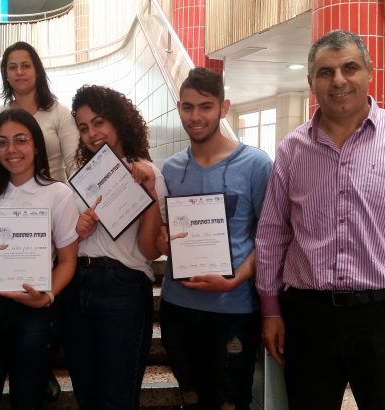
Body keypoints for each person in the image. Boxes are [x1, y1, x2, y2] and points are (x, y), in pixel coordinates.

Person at [256, 30, 385, 410]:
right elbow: (273, 234)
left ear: (369, 73)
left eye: (350, 68)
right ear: (311, 81)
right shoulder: (292, 149)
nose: (338, 80)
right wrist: (271, 309)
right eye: (325, 72)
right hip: (308, 317)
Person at [157, 67, 272, 410]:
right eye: (188, 107)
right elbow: (162, 230)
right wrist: (164, 240)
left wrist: (236, 278)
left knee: (231, 401)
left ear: (223, 108)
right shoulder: (170, 169)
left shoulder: (256, 164)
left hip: (233, 308)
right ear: (179, 108)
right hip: (179, 307)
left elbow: (270, 236)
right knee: (191, 399)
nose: (196, 117)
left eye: (206, 106)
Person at [0, 108, 79, 410]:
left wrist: (47, 295)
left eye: (21, 140)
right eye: (2, 142)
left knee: (28, 400)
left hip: (33, 313)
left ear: (36, 145)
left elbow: (67, 260)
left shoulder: (58, 194)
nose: (11, 149)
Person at [58, 85, 167, 409]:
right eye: (83, 127)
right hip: (77, 285)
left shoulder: (146, 172)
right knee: (86, 393)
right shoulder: (81, 177)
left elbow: (149, 251)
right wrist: (77, 230)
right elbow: (65, 243)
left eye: (99, 122)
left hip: (123, 286)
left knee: (118, 396)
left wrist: (149, 195)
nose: (92, 133)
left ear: (118, 120)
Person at [0, 41, 79, 184]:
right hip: (13, 195)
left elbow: (74, 164)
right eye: (12, 67)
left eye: (26, 66)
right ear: (5, 74)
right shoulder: (0, 114)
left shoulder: (60, 112)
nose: (19, 72)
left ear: (37, 71)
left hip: (55, 194)